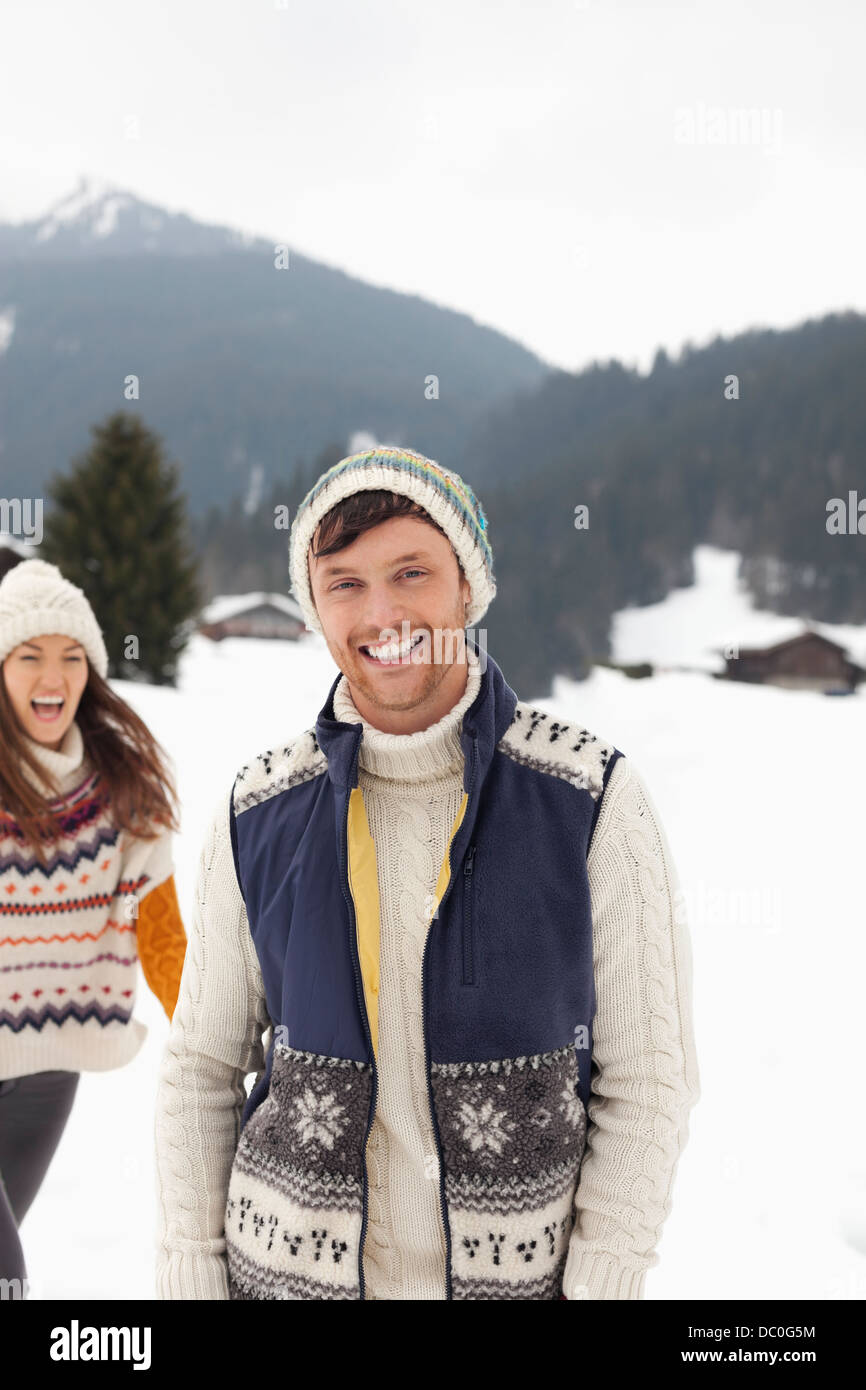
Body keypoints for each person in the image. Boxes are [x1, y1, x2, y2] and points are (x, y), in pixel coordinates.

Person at [154, 445, 701, 1301]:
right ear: (314, 608)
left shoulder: (590, 798)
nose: (383, 612)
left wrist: (604, 1282)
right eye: (345, 583)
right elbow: (202, 1066)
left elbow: (648, 1078)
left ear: (466, 587)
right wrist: (191, 1270)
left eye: (411, 572)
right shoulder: (260, 808)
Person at [0, 559, 188, 1298]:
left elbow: (163, 937)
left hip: (49, 1067)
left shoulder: (123, 793)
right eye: (29, 655)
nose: (53, 675)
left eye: (71, 657)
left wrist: (214, 1041)